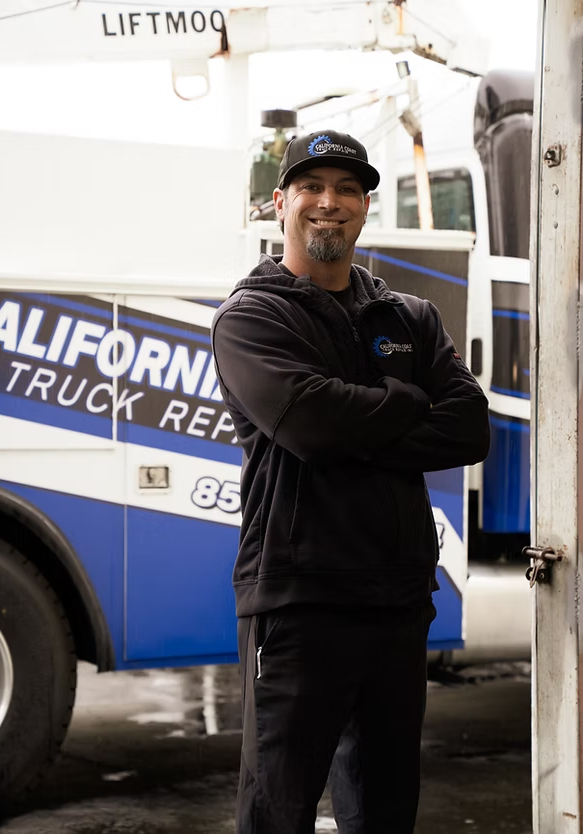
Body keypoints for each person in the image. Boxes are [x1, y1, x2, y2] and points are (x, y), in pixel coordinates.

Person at [211, 130, 490, 834]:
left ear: (365, 206)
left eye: (346, 189)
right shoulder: (251, 317)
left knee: (385, 809)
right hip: (300, 598)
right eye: (310, 187)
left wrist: (353, 422)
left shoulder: (410, 317)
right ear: (279, 204)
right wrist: (404, 402)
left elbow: (468, 430)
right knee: (280, 808)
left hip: (396, 600)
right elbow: (312, 427)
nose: (327, 203)